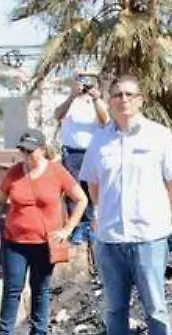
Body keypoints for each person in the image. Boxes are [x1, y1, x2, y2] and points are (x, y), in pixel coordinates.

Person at [79, 74, 172, 335]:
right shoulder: (100, 140)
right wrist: (109, 215)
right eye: (116, 95)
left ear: (141, 99)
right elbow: (94, 186)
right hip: (111, 239)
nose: (122, 100)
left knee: (155, 308)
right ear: (108, 101)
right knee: (115, 309)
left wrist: (155, 213)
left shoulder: (159, 136)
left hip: (149, 237)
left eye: (129, 94)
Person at [0, 129, 88, 335]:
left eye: (31, 151)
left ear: (41, 149)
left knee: (41, 288)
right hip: (15, 240)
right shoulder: (13, 174)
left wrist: (68, 229)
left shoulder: (57, 172)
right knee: (12, 288)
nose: (26, 155)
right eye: (23, 151)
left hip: (44, 242)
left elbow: (81, 198)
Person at [54, 73, 110, 246]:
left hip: (92, 151)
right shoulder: (70, 101)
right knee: (74, 191)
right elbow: (58, 115)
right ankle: (77, 226)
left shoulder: (97, 102)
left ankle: (90, 226)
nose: (84, 86)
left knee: (92, 189)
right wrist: (72, 95)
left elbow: (105, 120)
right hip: (72, 152)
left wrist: (96, 99)